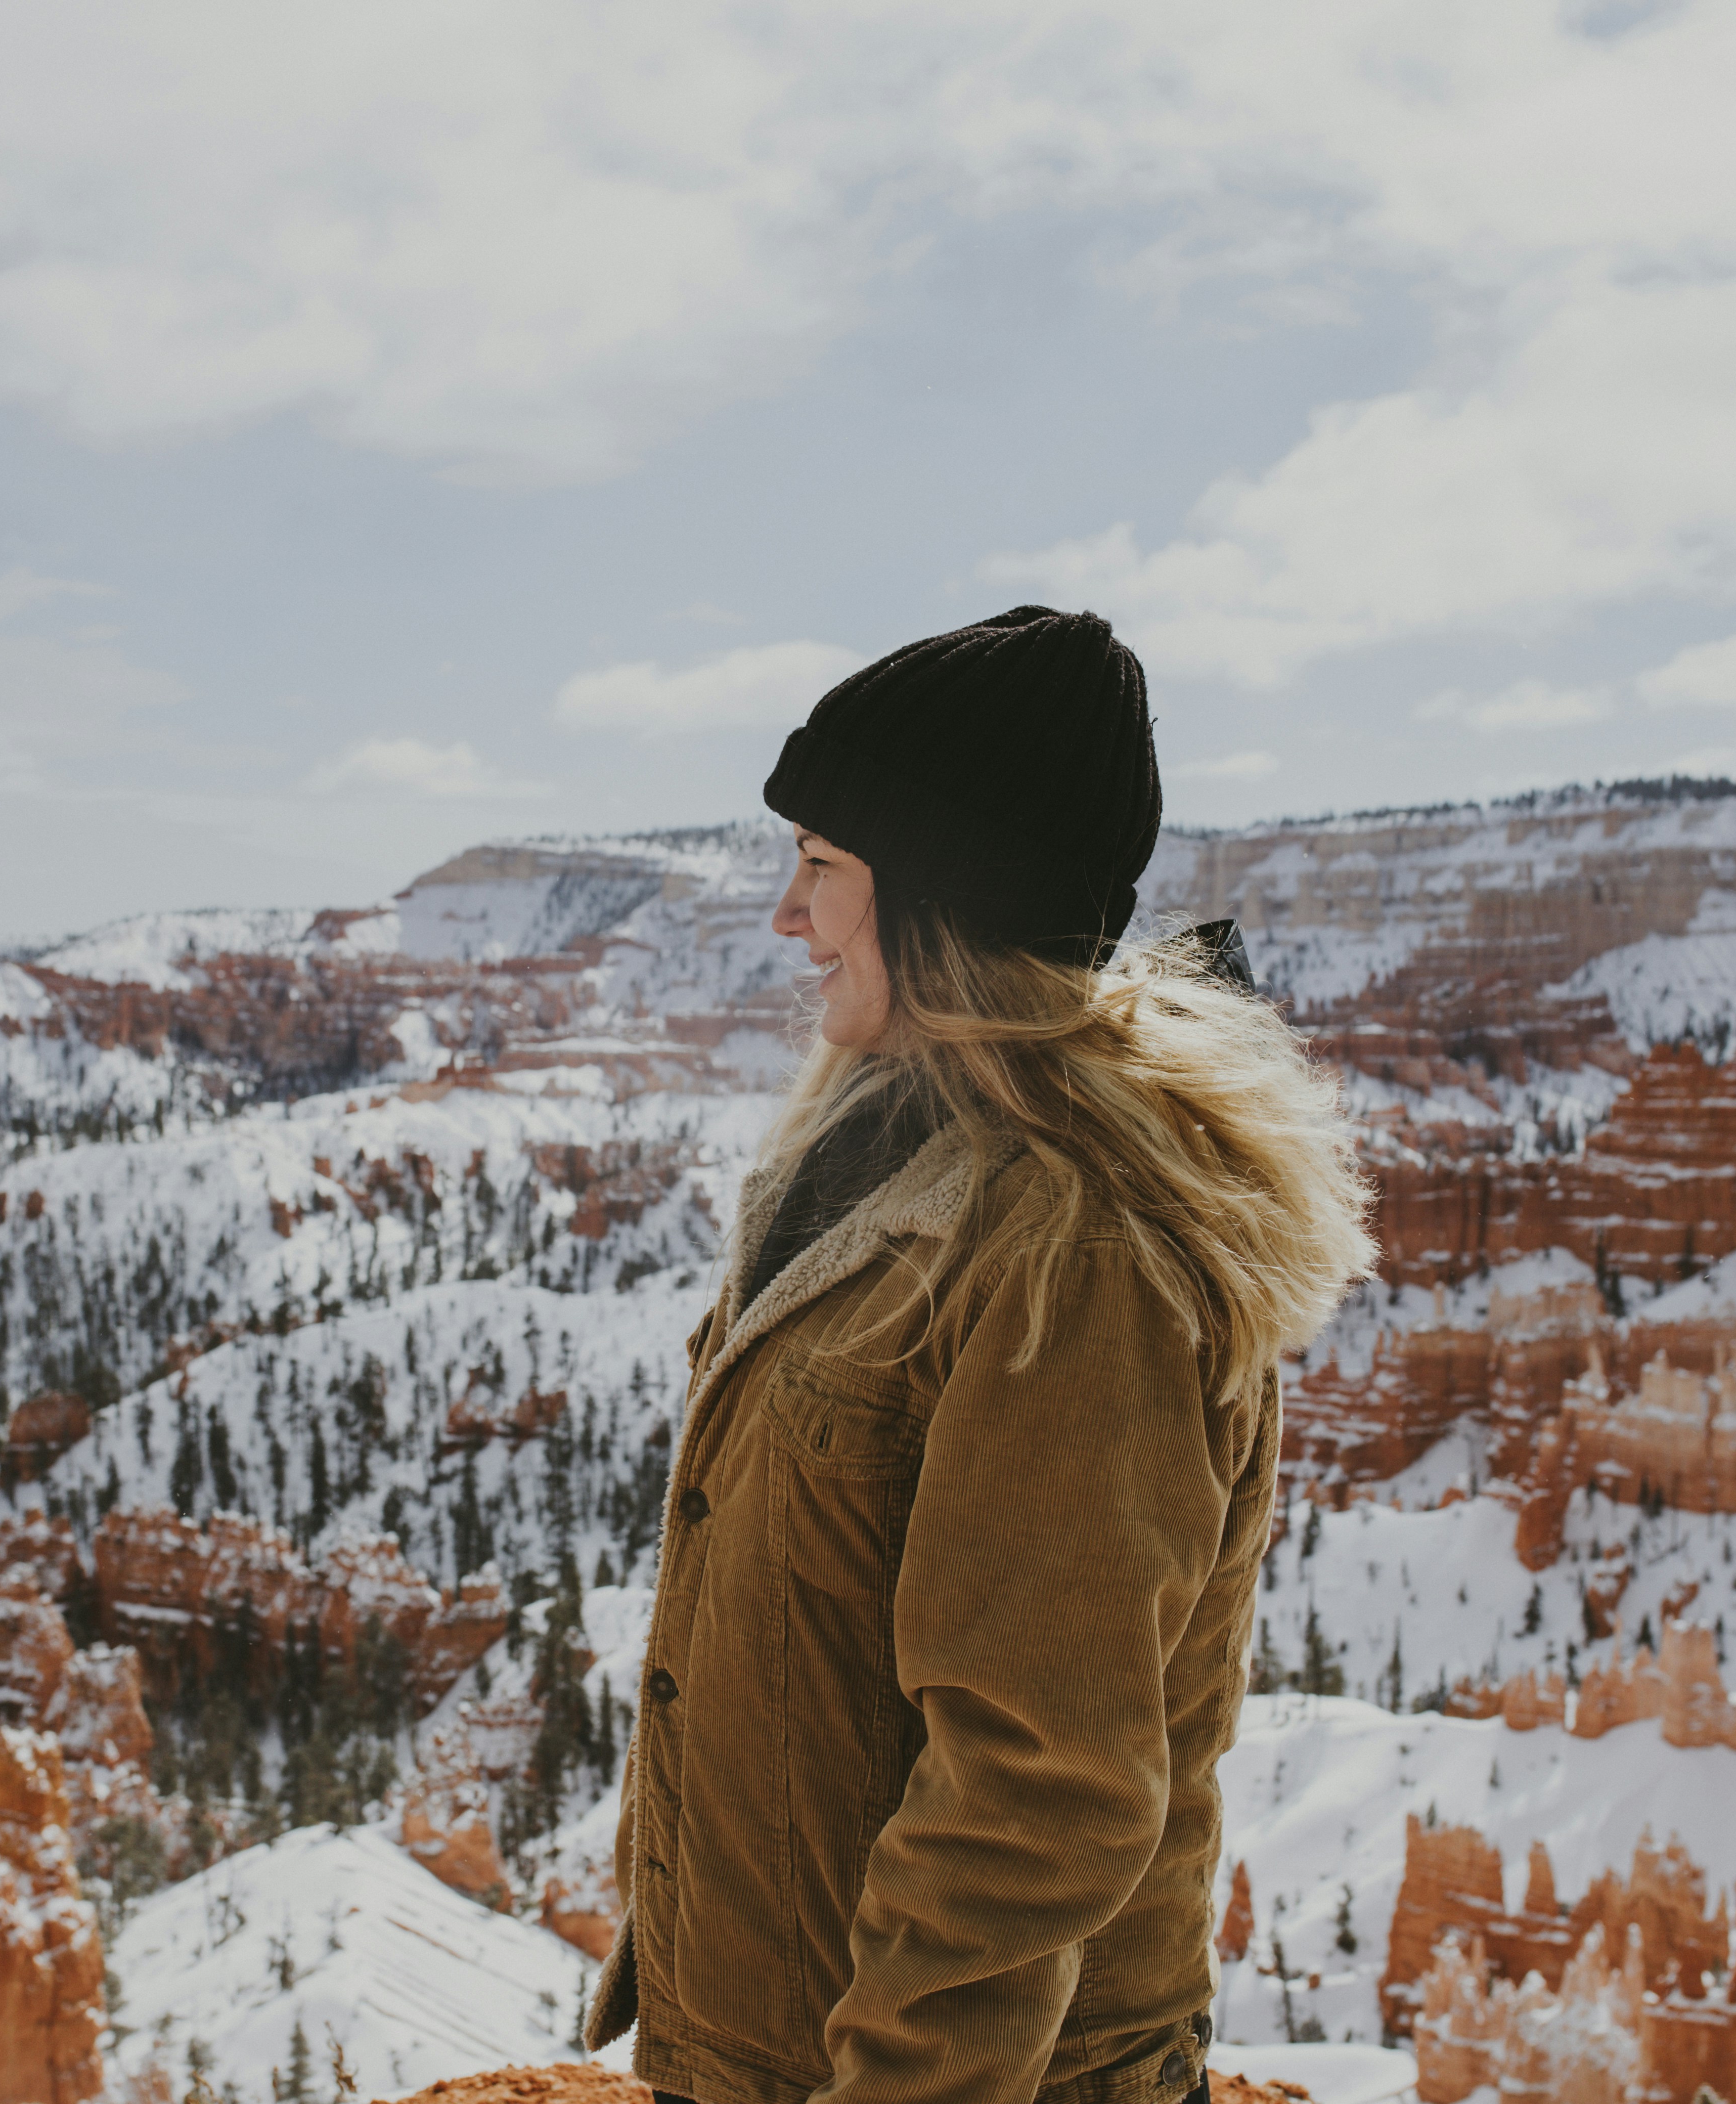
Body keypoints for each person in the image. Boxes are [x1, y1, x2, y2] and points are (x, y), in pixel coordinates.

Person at [586, 606, 1376, 2103]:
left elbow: (1034, 1793)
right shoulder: (896, 1150)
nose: (785, 915)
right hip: (782, 2054)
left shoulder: (1075, 1255)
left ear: (941, 898)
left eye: (822, 866)